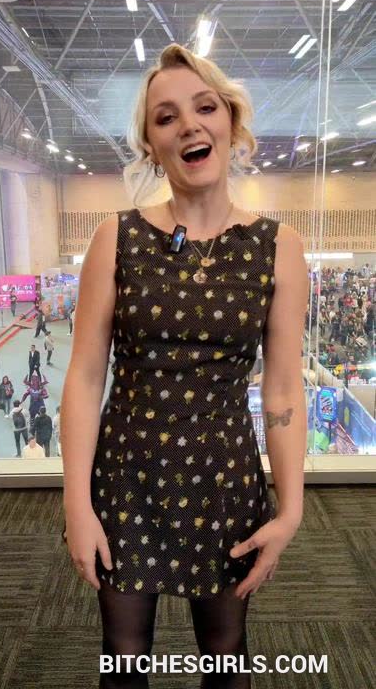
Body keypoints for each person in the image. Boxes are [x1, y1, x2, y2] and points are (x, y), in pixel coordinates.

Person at [61, 43, 308, 689]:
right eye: (166, 117)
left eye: (205, 107)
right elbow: (84, 379)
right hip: (126, 483)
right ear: (151, 145)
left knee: (225, 659)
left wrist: (290, 511)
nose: (189, 126)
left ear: (230, 121)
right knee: (123, 661)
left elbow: (283, 389)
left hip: (223, 482)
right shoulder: (115, 239)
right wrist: (76, 504)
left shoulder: (278, 248)